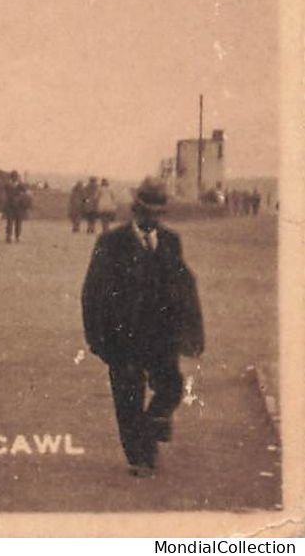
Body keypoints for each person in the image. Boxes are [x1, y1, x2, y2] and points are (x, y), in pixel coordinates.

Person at [81, 177, 204, 477]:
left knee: (172, 386)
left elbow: (185, 286)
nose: (153, 218)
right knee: (128, 398)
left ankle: (149, 431)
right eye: (147, 211)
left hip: (160, 336)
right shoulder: (110, 243)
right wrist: (98, 340)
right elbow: (92, 292)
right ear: (135, 210)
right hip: (122, 338)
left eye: (158, 212)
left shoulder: (171, 242)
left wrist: (190, 332)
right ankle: (139, 458)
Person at [3, 172, 31, 244]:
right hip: (10, 206)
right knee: (10, 222)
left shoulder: (20, 185)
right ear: (11, 178)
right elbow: (4, 194)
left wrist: (20, 197)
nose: (14, 179)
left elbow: (27, 193)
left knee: (18, 222)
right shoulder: (7, 185)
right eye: (13, 177)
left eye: (15, 177)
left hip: (18, 207)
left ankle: (17, 236)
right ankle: (9, 236)